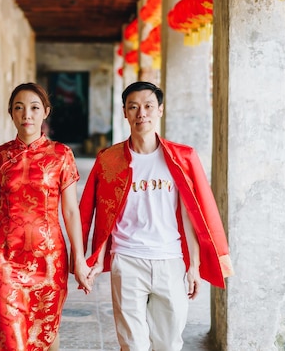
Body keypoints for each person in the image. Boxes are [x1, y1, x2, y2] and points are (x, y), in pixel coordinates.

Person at [80, 81, 233, 351]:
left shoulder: (182, 157)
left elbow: (192, 216)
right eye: (133, 107)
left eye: (148, 106)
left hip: (170, 261)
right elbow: (102, 211)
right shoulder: (109, 159)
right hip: (127, 260)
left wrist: (194, 266)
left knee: (169, 344)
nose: (141, 113)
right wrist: (93, 260)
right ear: (125, 113)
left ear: (160, 110)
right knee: (133, 345)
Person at [0, 82, 93, 351]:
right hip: (4, 257)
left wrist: (78, 258)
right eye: (19, 108)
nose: (27, 115)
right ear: (11, 113)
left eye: (34, 108)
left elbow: (70, 211)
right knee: (11, 340)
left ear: (46, 112)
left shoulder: (61, 155)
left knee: (44, 333)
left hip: (48, 259)